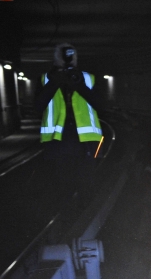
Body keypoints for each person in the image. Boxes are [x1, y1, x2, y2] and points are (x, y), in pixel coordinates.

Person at [35, 43, 104, 195]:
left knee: (86, 184)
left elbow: (101, 104)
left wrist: (79, 85)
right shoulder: (46, 80)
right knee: (60, 185)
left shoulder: (87, 78)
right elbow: (38, 107)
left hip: (85, 140)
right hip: (57, 140)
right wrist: (56, 81)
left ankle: (83, 212)